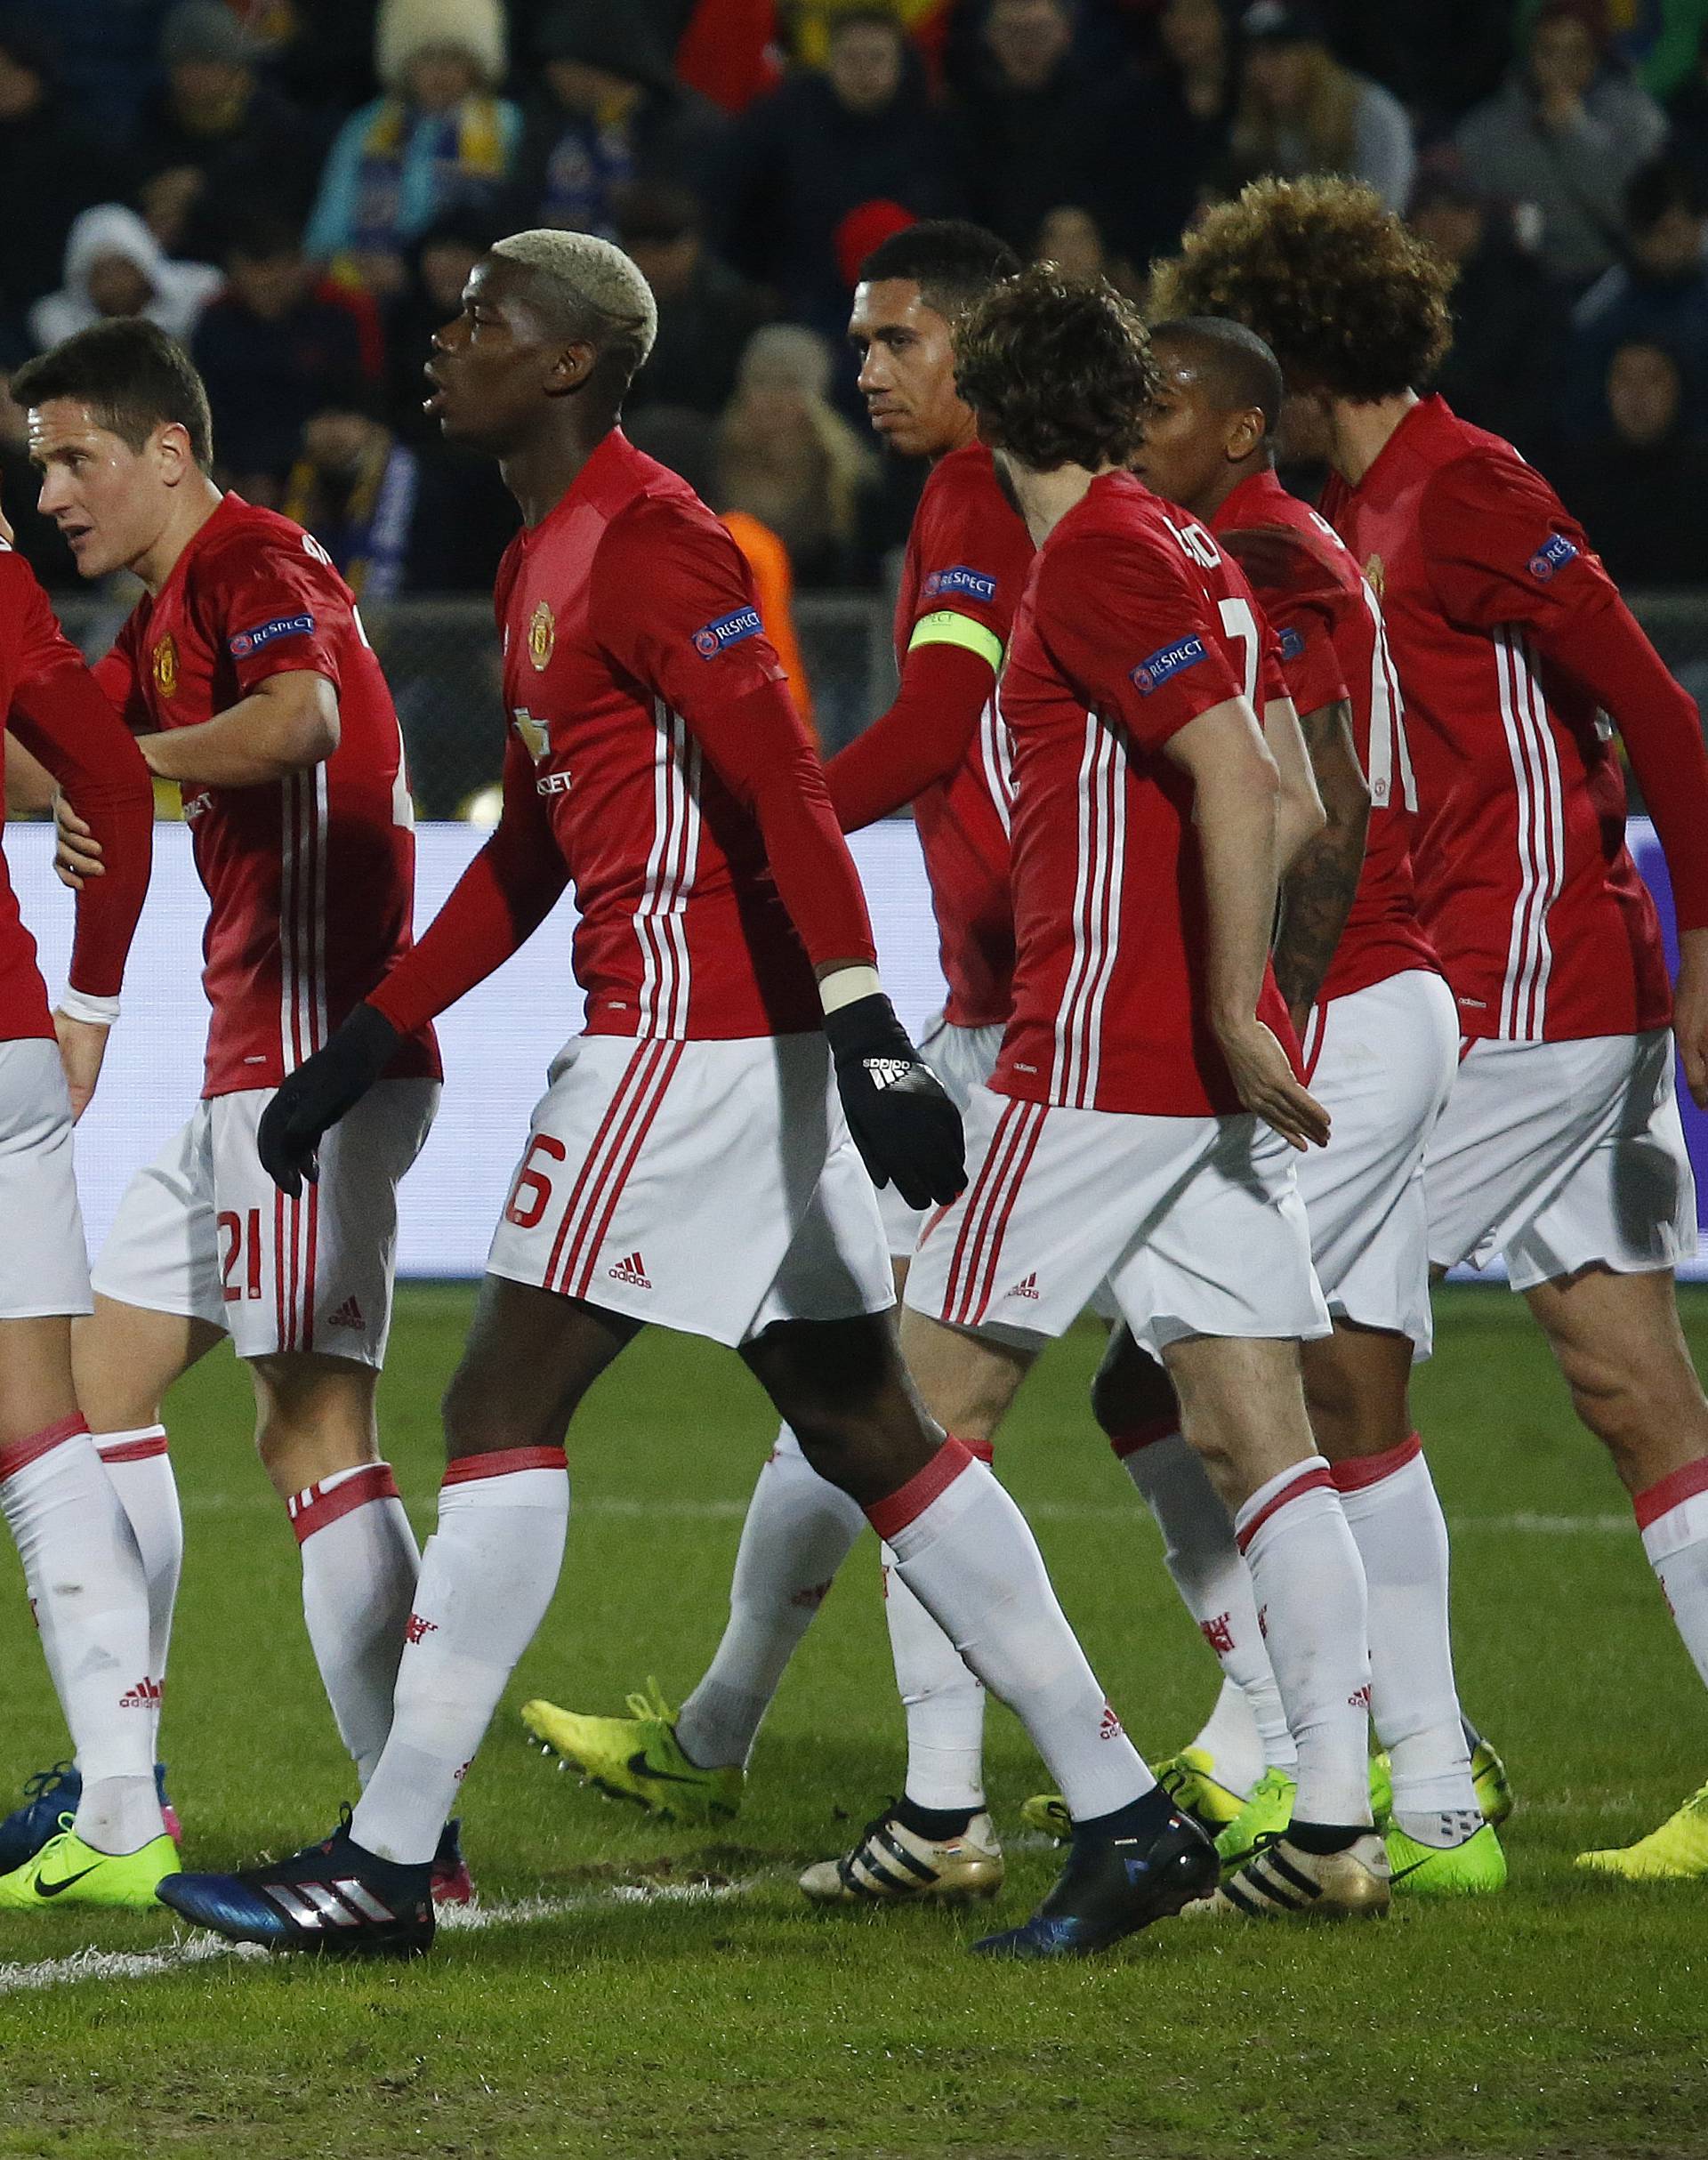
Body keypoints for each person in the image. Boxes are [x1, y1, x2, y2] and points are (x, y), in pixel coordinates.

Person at [154, 230, 1218, 1963]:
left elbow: (784, 780)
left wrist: (866, 1025)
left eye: (488, 315)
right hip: (712, 1045)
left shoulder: (652, 541)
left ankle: (389, 1854)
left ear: (573, 361)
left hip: (685, 1040)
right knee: (871, 1425)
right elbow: (524, 855)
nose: (451, 335)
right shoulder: (535, 563)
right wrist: (368, 1031)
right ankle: (1124, 1809)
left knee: (503, 1396)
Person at [1156, 173, 1708, 1879]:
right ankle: (1392, 1767)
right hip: (1488, 994)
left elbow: (1664, 720)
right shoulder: (1344, 508)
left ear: (1307, 354)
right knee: (1634, 1393)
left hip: (1535, 991)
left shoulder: (1466, 490)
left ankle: (1333, 1754)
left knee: (1278, 1343)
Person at [520, 220, 1036, 1891]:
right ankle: (729, 1733)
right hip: (1022, 1000)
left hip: (1055, 1025)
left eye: (895, 342)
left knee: (921, 1406)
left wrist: (775, 825)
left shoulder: (977, 497)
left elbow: (940, 728)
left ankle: (960, 1808)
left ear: (981, 347)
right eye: (860, 342)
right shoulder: (1008, 493)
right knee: (892, 1389)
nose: (866, 373)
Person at [895, 267, 1398, 1932]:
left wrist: (1238, 1005)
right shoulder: (1183, 542)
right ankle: (1334, 1822)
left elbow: (1248, 781)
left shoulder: (1104, 553)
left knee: (907, 1422)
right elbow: (1309, 788)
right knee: (1260, 1433)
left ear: (991, 394)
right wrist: (1235, 1019)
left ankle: (1108, 1808)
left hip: (1102, 1063)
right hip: (1180, 1081)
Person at [1023, 314, 1508, 1895]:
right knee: (1288, 1394)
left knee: (1250, 1394)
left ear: (1243, 428)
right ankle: (1383, 1781)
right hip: (1345, 1001)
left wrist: (1259, 1014)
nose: (1133, 420)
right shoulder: (1218, 542)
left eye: (1162, 402)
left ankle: (1345, 1765)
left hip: (1343, 1004)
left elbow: (1320, 797)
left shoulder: (1265, 556)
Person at [7, 319, 464, 1900]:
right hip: (247, 1068)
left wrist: (115, 774)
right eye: (41, 461)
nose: (53, 488)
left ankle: (415, 1843)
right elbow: (65, 762)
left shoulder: (256, 560)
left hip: (312, 1064)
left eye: (75, 457)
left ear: (168, 452)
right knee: (92, 1386)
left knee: (313, 1425)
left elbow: (303, 722)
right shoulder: (159, 615)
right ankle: (116, 1772)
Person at [0, 533, 174, 1913]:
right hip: (6, 1032)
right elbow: (107, 772)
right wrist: (88, 1003)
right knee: (43, 1426)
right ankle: (121, 1806)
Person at [716, 10, 963, 337]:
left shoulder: (936, 136)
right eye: (850, 58)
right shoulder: (785, 128)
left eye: (877, 58)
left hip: (913, 313)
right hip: (803, 304)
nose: (864, 71)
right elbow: (747, 213)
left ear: (900, 65)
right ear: (829, 63)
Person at [304, 0, 520, 299]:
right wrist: (350, 263)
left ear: (475, 63)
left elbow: (517, 221)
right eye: (428, 58)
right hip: (371, 290)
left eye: (454, 58)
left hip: (471, 293)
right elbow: (326, 230)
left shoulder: (505, 125)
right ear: (405, 63)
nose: (441, 73)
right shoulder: (367, 126)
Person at [1456, 2, 1666, 287]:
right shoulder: (1485, 128)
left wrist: (1574, 132)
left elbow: (1640, 212)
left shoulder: (1637, 116)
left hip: (1615, 280)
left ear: (1597, 55)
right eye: (1548, 50)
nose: (1560, 65)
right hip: (1521, 282)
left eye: (1575, 52)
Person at [191, 216, 371, 500]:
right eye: (259, 277)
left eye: (280, 275)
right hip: (242, 464)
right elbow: (212, 422)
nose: (269, 286)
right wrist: (295, 441)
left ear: (300, 267)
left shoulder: (335, 317)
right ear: (237, 273)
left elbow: (358, 401)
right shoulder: (216, 326)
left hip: (326, 462)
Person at [716, 325, 879, 587]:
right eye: (762, 382)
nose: (774, 399)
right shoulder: (714, 460)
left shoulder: (849, 476)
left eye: (790, 384)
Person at [1567, 159, 1708, 440]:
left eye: (1669, 232)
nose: (1658, 247)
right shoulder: (1602, 309)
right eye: (1647, 235)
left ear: (1700, 223)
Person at [1550, 339, 1708, 586]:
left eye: (1653, 378)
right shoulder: (1575, 481)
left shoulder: (1699, 479)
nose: (1637, 393)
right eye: (1624, 378)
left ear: (1680, 386)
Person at [1231, 2, 1415, 214]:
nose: (1261, 72)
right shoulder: (1258, 125)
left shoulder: (1372, 114)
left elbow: (1386, 209)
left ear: (1312, 56)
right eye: (1253, 57)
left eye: (1276, 55)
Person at [615, 183, 773, 421]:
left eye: (665, 250)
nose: (655, 263)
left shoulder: (737, 307)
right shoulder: (611, 307)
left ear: (693, 245)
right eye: (643, 251)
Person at [28, 205, 222, 355]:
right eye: (99, 273)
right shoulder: (57, 319)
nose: (112, 284)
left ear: (144, 265)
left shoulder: (200, 288)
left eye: (121, 268)